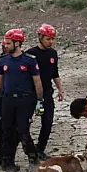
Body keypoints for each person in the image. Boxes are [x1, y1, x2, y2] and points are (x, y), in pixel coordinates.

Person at [0, 28, 45, 172]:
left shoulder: (29, 60)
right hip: (7, 100)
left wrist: (40, 101)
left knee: (23, 131)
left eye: (8, 43)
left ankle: (33, 159)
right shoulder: (3, 61)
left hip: (24, 101)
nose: (5, 45)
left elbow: (37, 82)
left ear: (17, 43)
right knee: (7, 131)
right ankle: (9, 163)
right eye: (5, 43)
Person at [26, 24, 64, 160]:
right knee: (25, 123)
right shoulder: (31, 53)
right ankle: (28, 149)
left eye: (53, 39)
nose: (51, 42)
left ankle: (40, 149)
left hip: (47, 94)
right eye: (48, 39)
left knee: (47, 122)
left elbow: (55, 73)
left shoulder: (53, 53)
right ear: (40, 38)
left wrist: (60, 89)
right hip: (31, 95)